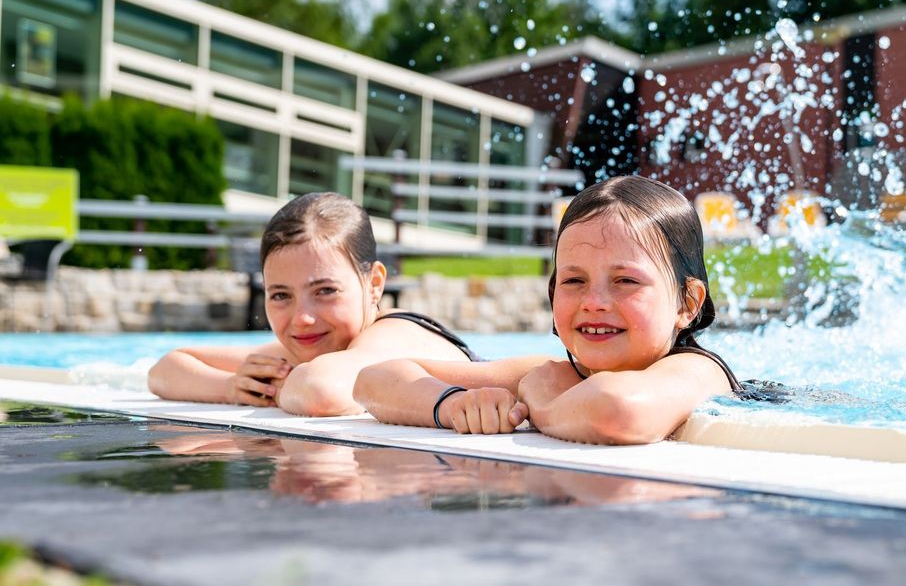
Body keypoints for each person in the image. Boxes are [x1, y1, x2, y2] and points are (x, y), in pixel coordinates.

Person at [354, 175, 745, 444]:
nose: (593, 302)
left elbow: (618, 411)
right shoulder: (553, 374)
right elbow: (374, 380)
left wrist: (541, 404)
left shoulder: (698, 370)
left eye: (626, 281)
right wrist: (454, 404)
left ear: (687, 303)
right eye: (574, 281)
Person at [147, 191, 473, 415]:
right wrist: (234, 387)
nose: (301, 318)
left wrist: (271, 388)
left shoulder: (393, 335)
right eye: (281, 296)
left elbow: (320, 391)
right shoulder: (319, 347)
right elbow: (166, 369)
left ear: (374, 284)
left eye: (325, 291)